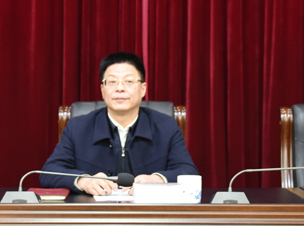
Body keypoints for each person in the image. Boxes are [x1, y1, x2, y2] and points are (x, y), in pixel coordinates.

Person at [40, 52, 198, 195]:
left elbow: (188, 171)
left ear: (143, 89)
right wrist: (83, 181)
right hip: (93, 213)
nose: (120, 88)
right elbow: (49, 172)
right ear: (102, 89)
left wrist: (157, 179)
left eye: (129, 81)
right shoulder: (78, 128)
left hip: (149, 214)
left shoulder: (166, 127)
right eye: (112, 82)